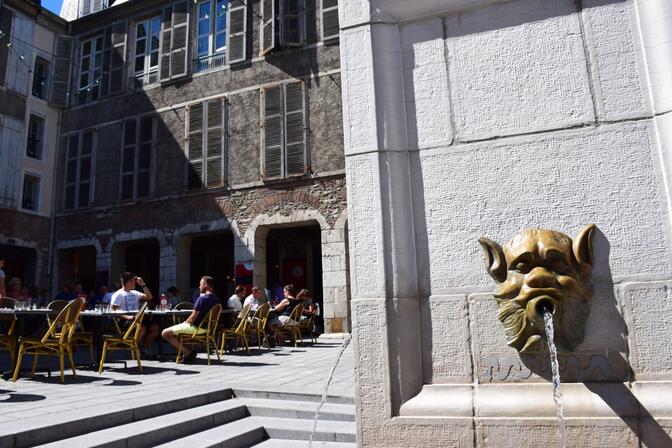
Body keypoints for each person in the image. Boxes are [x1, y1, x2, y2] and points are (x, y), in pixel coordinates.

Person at [161, 276, 220, 363]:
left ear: (205, 284)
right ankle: (187, 353)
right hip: (206, 329)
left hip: (196, 328)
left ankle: (187, 353)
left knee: (165, 333)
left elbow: (192, 318)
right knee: (179, 330)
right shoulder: (216, 298)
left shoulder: (202, 299)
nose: (199, 286)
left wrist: (185, 322)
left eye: (200, 284)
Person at [110, 272, 158, 356]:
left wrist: (143, 284)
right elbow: (113, 311)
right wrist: (128, 317)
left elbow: (149, 297)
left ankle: (144, 349)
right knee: (141, 328)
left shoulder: (134, 292)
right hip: (125, 321)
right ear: (129, 282)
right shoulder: (118, 294)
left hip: (137, 319)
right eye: (134, 281)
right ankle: (135, 349)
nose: (135, 282)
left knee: (155, 327)